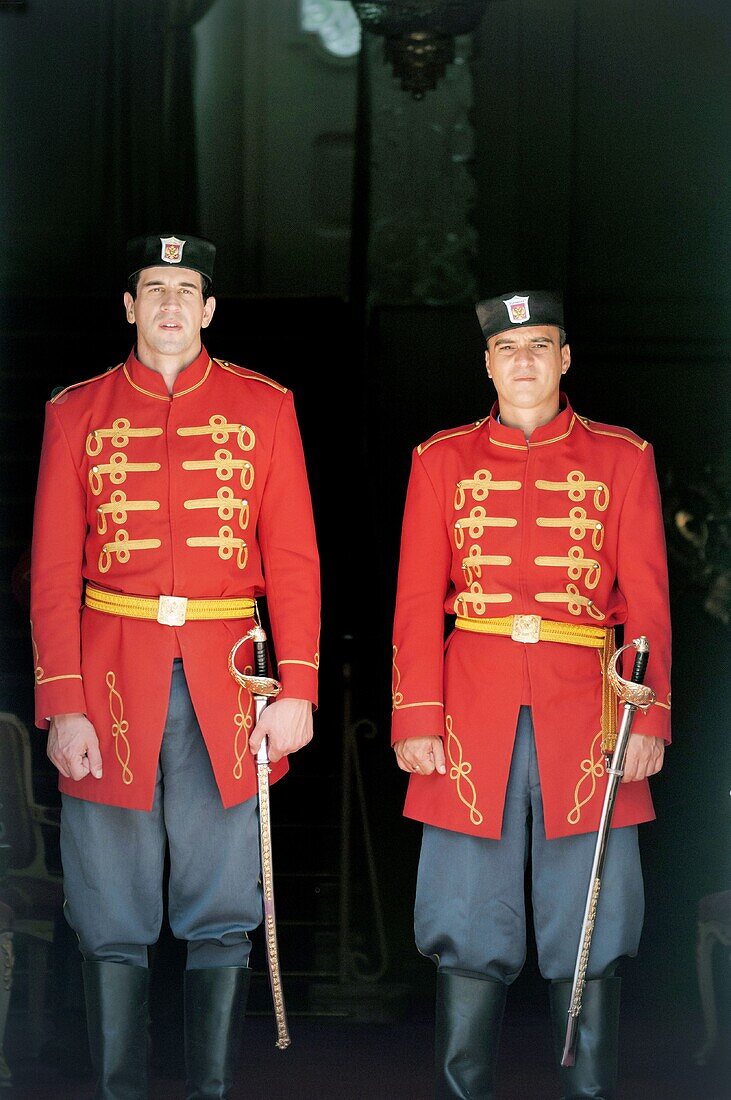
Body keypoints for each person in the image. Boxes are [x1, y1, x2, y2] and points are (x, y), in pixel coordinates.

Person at [30, 233, 320, 1098]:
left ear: (209, 308)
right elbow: (52, 570)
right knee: (110, 910)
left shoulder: (265, 406)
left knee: (223, 906)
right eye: (152, 288)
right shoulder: (74, 411)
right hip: (108, 673)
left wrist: (297, 689)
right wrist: (63, 705)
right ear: (129, 306)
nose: (168, 304)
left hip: (228, 681)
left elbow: (295, 560)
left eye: (184, 289)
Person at [391, 291, 671, 1098]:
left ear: (564, 358)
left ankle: (586, 1091)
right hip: (465, 709)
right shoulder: (438, 460)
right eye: (507, 347)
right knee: (464, 913)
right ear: (486, 362)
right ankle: (462, 1087)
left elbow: (646, 604)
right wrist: (414, 715)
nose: (523, 361)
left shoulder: (622, 457)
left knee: (590, 915)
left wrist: (645, 715)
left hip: (589, 708)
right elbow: (414, 602)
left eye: (539, 345)